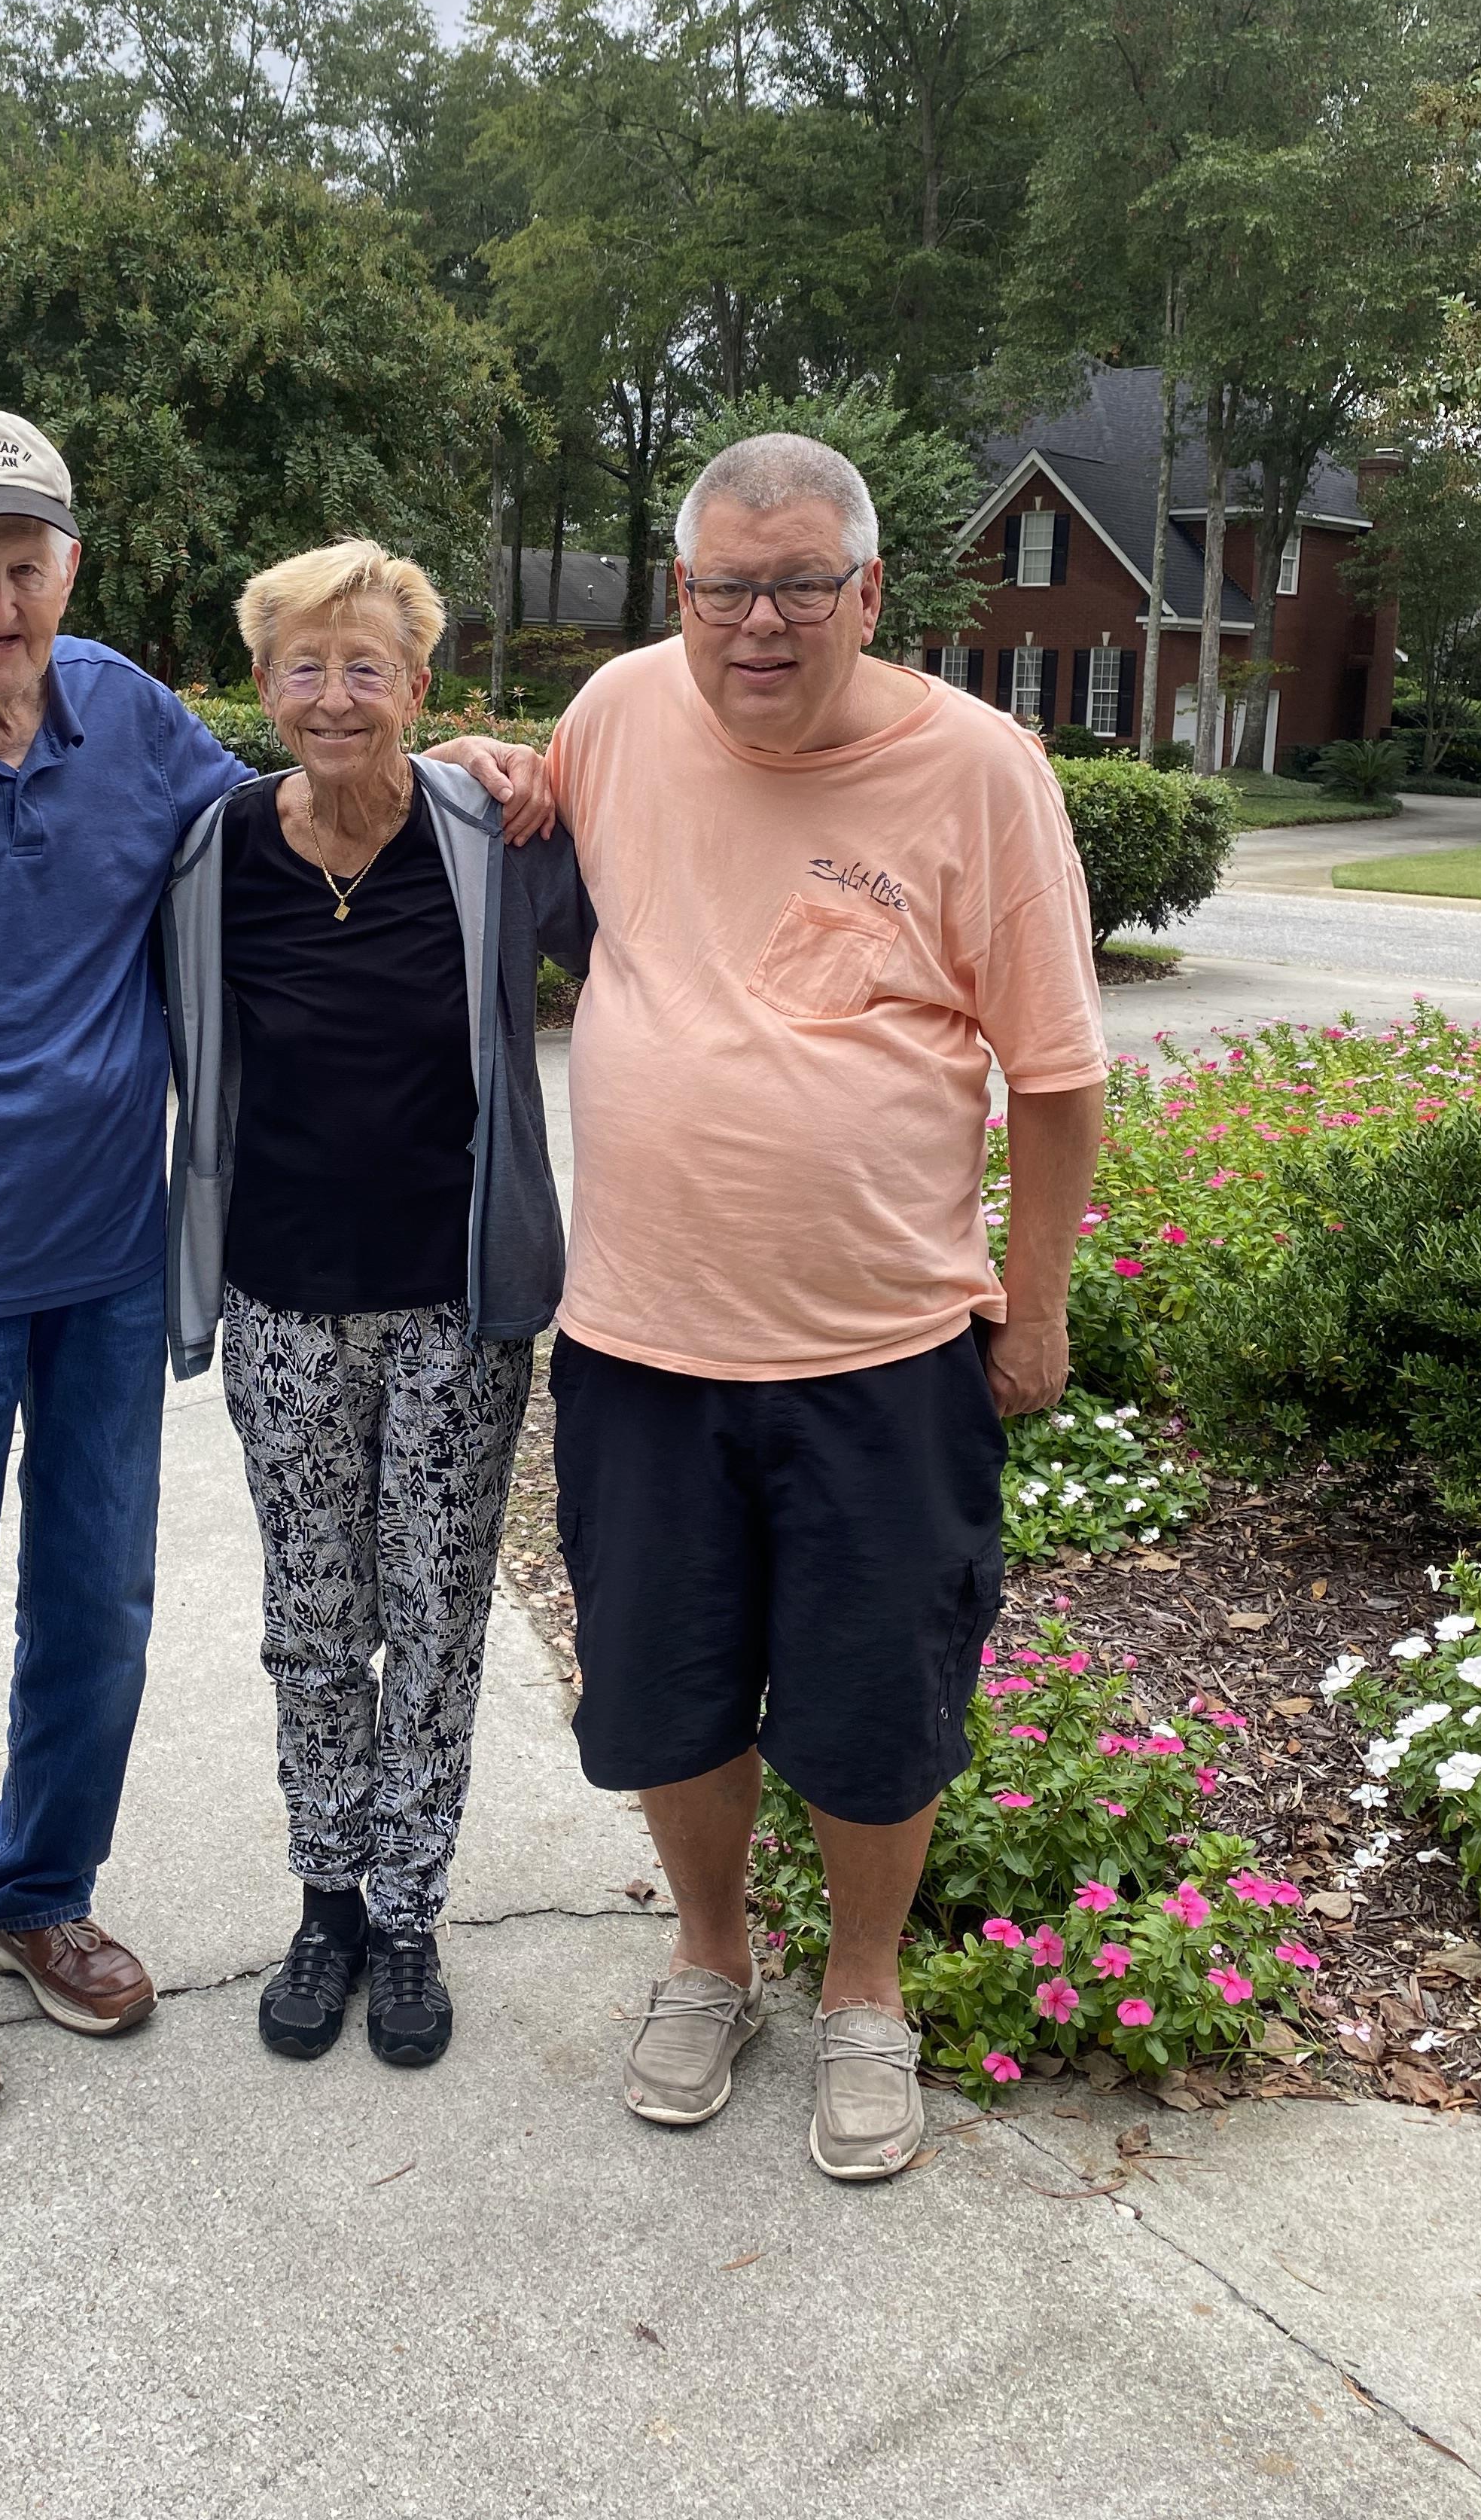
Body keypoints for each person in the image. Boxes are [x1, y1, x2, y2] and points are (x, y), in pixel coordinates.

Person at [0, 411, 544, 2115]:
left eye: (24, 564)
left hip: (103, 1268)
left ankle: (34, 1901)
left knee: (100, 1615)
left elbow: (312, 802)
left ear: (67, 571)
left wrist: (486, 766)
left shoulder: (129, 722)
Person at [544, 431, 1107, 2183]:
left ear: (870, 593)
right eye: (725, 588)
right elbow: (516, 837)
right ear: (681, 594)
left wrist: (1036, 1306)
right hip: (641, 1335)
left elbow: (1061, 1077)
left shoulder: (983, 769)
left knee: (877, 1698)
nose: (760, 625)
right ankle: (712, 1961)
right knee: (665, 1688)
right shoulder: (622, 712)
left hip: (884, 1347)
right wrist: (484, 767)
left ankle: (865, 1994)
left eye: (801, 586)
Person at [162, 539, 593, 2069]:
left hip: (456, 1308)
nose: (334, 695)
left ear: (418, 687)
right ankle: (327, 1897)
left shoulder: (491, 830)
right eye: (303, 664)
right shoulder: (214, 848)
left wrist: (543, 759)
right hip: (283, 1305)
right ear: (264, 686)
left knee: (436, 1613)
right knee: (312, 1617)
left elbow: (649, 937)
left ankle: (411, 1911)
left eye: (367, 667)